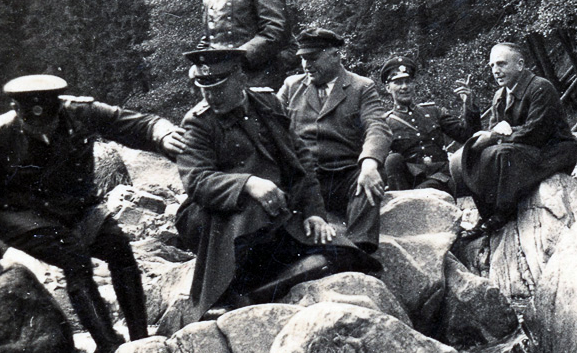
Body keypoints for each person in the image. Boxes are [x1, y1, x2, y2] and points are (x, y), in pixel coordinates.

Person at [0, 75, 187, 353]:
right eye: (33, 125)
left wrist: (162, 134)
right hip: (19, 214)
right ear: (16, 109)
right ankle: (108, 348)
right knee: (73, 255)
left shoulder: (82, 112)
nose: (42, 130)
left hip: (75, 208)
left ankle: (141, 340)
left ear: (59, 107)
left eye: (48, 122)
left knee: (118, 246)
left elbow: (134, 124)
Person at [175, 48, 374, 319]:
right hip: (217, 216)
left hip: (275, 210)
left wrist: (315, 213)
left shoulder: (268, 103)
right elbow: (196, 181)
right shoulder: (198, 122)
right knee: (255, 212)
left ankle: (258, 291)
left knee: (340, 253)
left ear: (240, 79)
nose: (210, 96)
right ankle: (229, 290)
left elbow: (301, 160)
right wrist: (247, 183)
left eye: (219, 88)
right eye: (204, 88)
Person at [277, 28, 392, 253]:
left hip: (345, 176)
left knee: (369, 179)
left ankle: (359, 249)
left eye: (313, 58)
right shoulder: (292, 86)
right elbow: (266, 120)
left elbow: (377, 126)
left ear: (335, 54)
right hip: (303, 176)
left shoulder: (361, 87)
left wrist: (369, 163)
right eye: (303, 59)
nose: (306, 65)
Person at [453, 42, 577, 237]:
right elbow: (494, 130)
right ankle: (487, 214)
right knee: (475, 155)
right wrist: (491, 135)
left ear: (520, 65)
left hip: (554, 152)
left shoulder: (540, 87)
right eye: (492, 66)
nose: (496, 71)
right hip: (524, 151)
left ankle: (502, 213)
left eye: (501, 64)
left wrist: (496, 135)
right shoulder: (499, 95)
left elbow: (536, 132)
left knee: (503, 153)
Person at [381, 55, 480, 194]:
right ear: (388, 88)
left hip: (443, 175)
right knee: (393, 159)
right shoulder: (385, 123)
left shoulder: (433, 111)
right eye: (398, 83)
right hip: (412, 182)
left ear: (414, 84)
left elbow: (467, 135)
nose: (404, 87)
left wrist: (468, 103)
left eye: (408, 81)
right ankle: (402, 204)